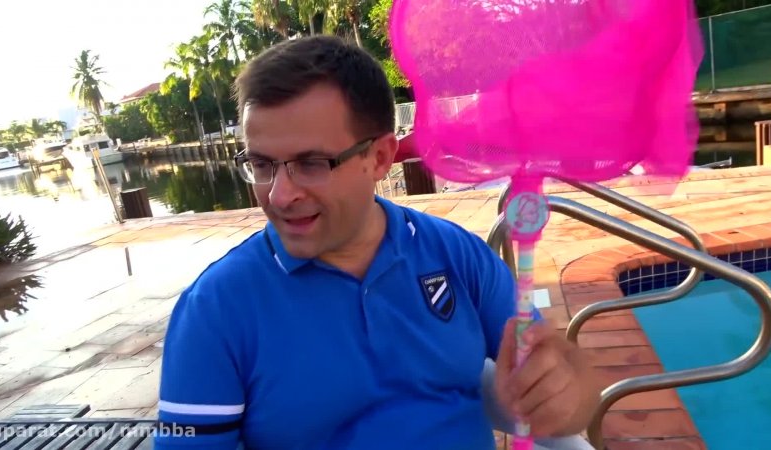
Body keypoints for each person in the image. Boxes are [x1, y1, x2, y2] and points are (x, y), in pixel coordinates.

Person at [154, 35, 601, 450]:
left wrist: (564, 390)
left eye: (311, 163)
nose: (279, 194)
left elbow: (567, 390)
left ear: (380, 157)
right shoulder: (216, 308)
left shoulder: (456, 257)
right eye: (262, 164)